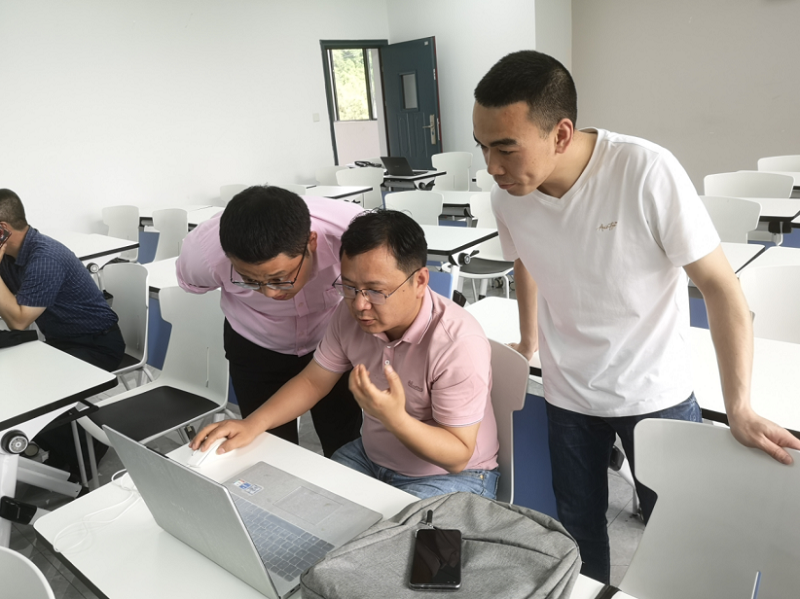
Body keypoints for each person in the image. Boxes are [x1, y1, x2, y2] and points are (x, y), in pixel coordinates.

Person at [471, 50, 800, 582]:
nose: (491, 166)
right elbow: (524, 259)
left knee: (679, 529)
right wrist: (529, 340)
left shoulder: (645, 170)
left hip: (654, 393)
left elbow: (721, 287)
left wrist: (738, 405)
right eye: (483, 146)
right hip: (568, 394)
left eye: (505, 147)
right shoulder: (508, 196)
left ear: (561, 134)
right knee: (578, 529)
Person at [190, 210, 500, 500]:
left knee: (382, 536)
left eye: (376, 291)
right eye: (349, 287)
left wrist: (394, 418)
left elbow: (458, 456)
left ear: (419, 281)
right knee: (305, 508)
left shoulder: (457, 344)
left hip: (452, 476)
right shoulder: (348, 316)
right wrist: (253, 424)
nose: (360, 305)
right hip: (371, 458)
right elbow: (313, 382)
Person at [176, 186, 364, 457]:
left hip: (329, 340)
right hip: (255, 345)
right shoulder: (203, 253)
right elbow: (190, 282)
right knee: (268, 447)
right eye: (250, 281)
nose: (271, 293)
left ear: (311, 242)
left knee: (343, 435)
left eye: (280, 278)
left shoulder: (353, 233)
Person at [0, 188, 125, 479]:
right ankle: (58, 447)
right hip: (61, 343)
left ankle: (86, 453)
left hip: (97, 343)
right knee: (13, 382)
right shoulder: (10, 257)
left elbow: (18, 320)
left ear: (2, 230)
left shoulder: (45, 257)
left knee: (33, 391)